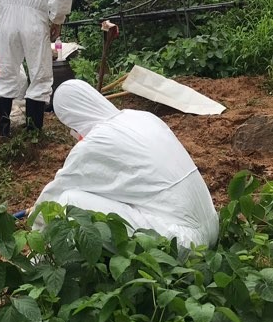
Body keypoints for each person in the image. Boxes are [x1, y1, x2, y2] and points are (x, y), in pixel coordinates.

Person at [32, 80, 219, 248]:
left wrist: (35, 220)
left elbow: (58, 190)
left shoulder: (96, 142)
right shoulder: (143, 117)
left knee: (68, 201)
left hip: (183, 242)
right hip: (212, 226)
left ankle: (39, 268)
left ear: (71, 119)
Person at [0, 0, 73, 135]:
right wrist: (57, 20)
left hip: (8, 20)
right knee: (39, 74)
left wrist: (5, 17)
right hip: (34, 21)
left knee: (7, 72)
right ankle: (33, 132)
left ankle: (3, 130)